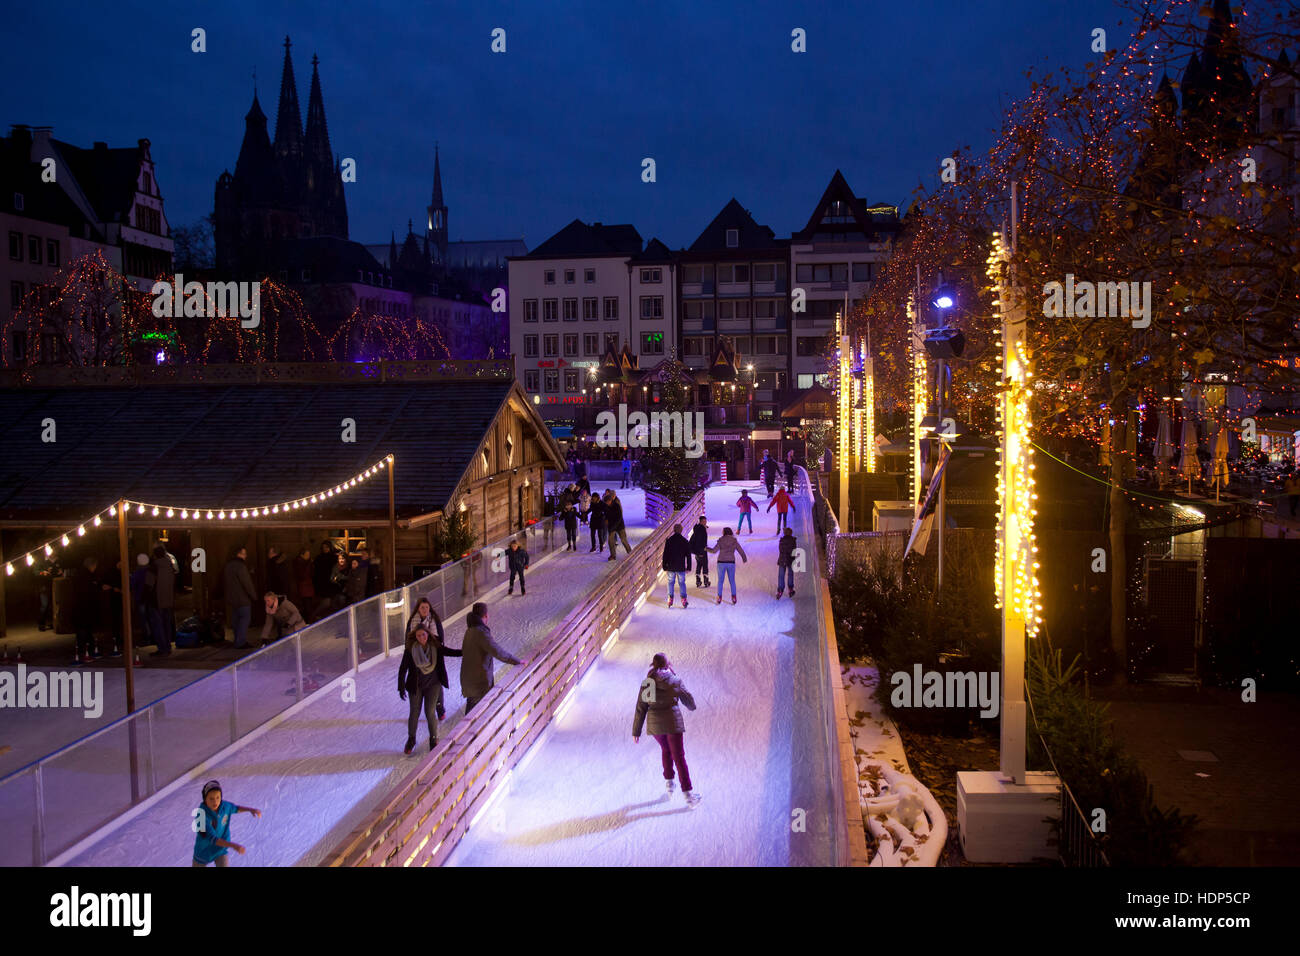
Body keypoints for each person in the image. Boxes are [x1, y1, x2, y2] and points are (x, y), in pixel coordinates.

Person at [632, 653, 700, 808]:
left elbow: (641, 707)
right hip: (672, 723)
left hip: (656, 726)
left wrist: (636, 731)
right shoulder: (674, 680)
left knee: (666, 750)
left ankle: (670, 785)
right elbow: (688, 700)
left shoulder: (648, 682)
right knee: (679, 757)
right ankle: (688, 795)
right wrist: (692, 706)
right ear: (668, 664)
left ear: (653, 665)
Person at [398, 624, 462, 752]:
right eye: (418, 635)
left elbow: (449, 652)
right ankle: (411, 739)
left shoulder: (435, 646)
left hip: (433, 685)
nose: (422, 637)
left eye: (423, 634)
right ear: (415, 637)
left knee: (429, 712)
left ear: (428, 634)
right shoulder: (411, 649)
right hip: (416, 686)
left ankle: (433, 739)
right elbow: (403, 668)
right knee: (414, 712)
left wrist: (464, 651)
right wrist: (401, 686)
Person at [460, 602, 521, 713]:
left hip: (469, 680)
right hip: (479, 683)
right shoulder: (481, 632)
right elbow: (497, 651)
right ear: (486, 616)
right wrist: (517, 661)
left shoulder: (469, 631)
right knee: (478, 715)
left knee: (472, 712)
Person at [192, 779, 261, 867]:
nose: (215, 801)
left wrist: (251, 810)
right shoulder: (201, 816)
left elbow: (235, 808)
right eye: (211, 799)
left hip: (220, 849)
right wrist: (233, 845)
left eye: (218, 797)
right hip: (204, 851)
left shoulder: (224, 806)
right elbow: (212, 839)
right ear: (205, 799)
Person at [407, 598, 449, 720]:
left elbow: (439, 639)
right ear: (418, 609)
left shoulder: (434, 620)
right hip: (417, 657)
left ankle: (440, 707)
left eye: (426, 607)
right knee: (421, 682)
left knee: (436, 682)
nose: (425, 610)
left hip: (433, 656)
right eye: (422, 608)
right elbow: (409, 640)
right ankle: (419, 708)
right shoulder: (413, 621)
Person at [222, 546, 259, 649]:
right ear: (239, 554)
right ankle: (240, 642)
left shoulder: (228, 566)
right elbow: (246, 583)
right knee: (244, 620)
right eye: (244, 553)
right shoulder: (241, 566)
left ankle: (237, 639)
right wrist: (254, 596)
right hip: (243, 599)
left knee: (236, 620)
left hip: (232, 599)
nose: (246, 555)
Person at [146, 544, 177, 656]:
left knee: (158, 625)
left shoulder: (153, 567)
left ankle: (162, 648)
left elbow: (149, 584)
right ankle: (167, 647)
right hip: (168, 599)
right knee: (167, 624)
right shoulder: (170, 566)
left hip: (156, 600)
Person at [70, 556, 101, 664]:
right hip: (84, 606)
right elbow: (89, 591)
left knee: (83, 629)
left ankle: (85, 649)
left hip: (79, 606)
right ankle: (85, 650)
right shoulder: (87, 577)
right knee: (84, 629)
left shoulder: (79, 575)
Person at [708, 527, 748, 604]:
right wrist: (744, 558)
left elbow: (714, 551)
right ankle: (734, 597)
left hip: (721, 562)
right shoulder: (734, 540)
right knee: (732, 580)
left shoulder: (721, 540)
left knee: (720, 581)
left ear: (724, 532)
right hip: (731, 562)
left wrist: (706, 548)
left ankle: (719, 597)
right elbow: (740, 550)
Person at [661, 523, 691, 608]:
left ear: (674, 530)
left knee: (670, 582)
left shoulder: (669, 540)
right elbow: (688, 555)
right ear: (681, 530)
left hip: (671, 566)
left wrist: (664, 565)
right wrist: (688, 567)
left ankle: (670, 598)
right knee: (682, 583)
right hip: (680, 566)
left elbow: (665, 554)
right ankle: (684, 599)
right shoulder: (684, 541)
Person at [102, 559, 124, 657]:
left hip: (119, 599)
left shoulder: (120, 573)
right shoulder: (113, 573)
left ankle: (119, 637)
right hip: (114, 599)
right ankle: (117, 637)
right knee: (116, 619)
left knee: (119, 619)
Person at [130, 553, 153, 646]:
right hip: (150, 598)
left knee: (143, 619)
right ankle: (153, 636)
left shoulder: (137, 573)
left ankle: (147, 637)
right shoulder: (151, 571)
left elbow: (132, 584)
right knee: (151, 617)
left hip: (140, 598)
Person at [35, 554, 61, 631]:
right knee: (44, 605)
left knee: (53, 605)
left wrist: (60, 572)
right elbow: (35, 572)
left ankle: (53, 623)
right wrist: (43, 572)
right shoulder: (41, 561)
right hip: (44, 587)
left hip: (55, 586)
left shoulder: (57, 560)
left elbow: (59, 570)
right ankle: (41, 624)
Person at [605, 490, 631, 560]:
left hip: (619, 525)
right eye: (606, 502)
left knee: (623, 540)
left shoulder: (616, 505)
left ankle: (630, 552)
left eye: (608, 501)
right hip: (611, 526)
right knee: (610, 541)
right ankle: (613, 555)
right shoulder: (606, 506)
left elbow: (619, 517)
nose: (607, 503)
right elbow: (606, 515)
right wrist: (606, 520)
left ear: (610, 500)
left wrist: (614, 526)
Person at [292, 547, 316, 623]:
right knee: (306, 605)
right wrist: (309, 564)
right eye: (307, 554)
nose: (309, 556)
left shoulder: (308, 562)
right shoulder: (299, 563)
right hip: (303, 586)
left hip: (308, 586)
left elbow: (312, 573)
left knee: (309, 604)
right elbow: (302, 575)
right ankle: (307, 621)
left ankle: (309, 620)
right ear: (302, 555)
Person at [776, 527, 798, 599]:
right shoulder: (793, 541)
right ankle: (790, 589)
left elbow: (780, 550)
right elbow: (794, 551)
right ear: (791, 533)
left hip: (782, 560)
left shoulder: (781, 540)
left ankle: (780, 590)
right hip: (790, 560)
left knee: (781, 575)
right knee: (790, 574)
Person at [689, 516, 710, 589]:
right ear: (700, 521)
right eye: (704, 521)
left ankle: (698, 580)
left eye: (705, 521)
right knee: (705, 565)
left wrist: (697, 552)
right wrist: (701, 552)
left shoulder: (697, 529)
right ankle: (706, 581)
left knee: (699, 565)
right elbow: (700, 541)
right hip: (702, 551)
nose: (705, 522)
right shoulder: (701, 530)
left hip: (696, 551)